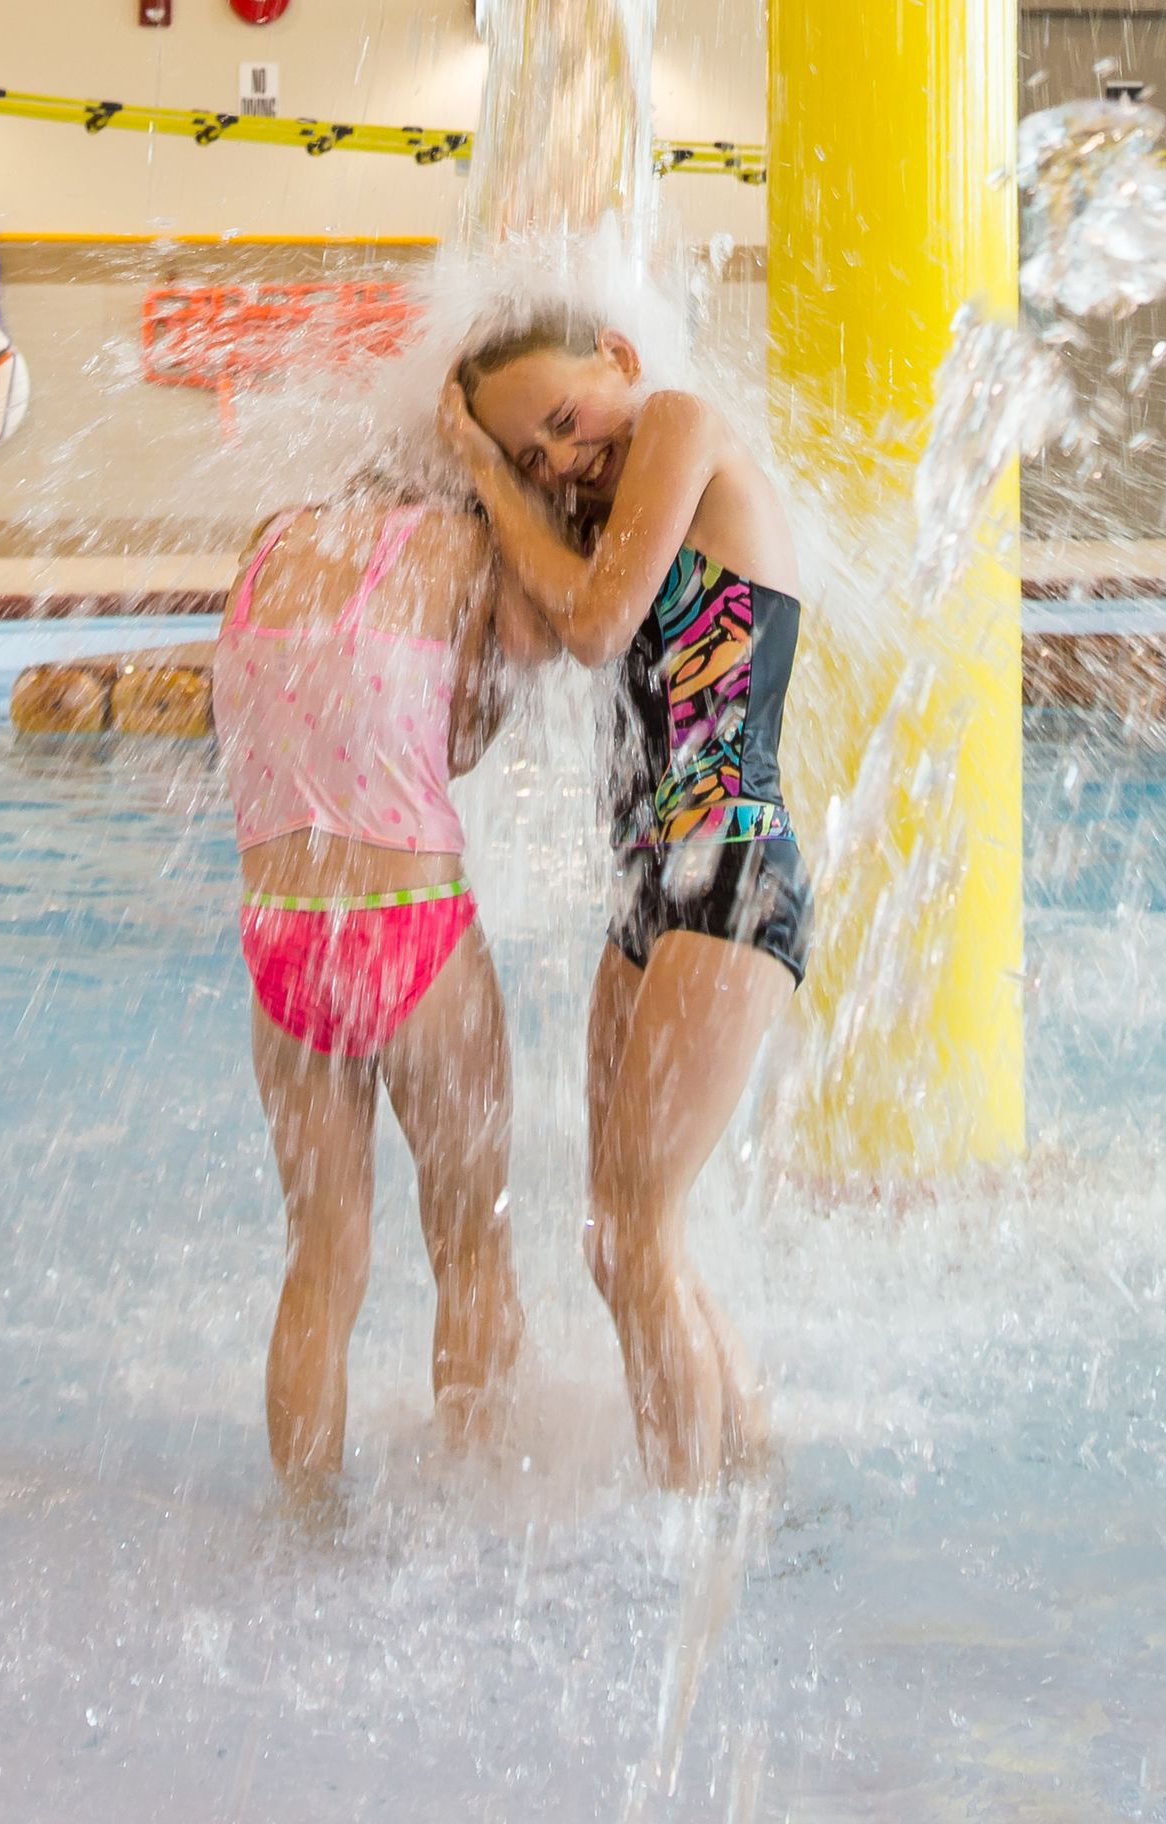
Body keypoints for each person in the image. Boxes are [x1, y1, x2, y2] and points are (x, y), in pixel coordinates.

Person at [438, 312, 807, 1492]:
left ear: (619, 356)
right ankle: (746, 1475)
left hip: (732, 865)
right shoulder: (603, 522)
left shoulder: (681, 425)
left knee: (640, 1233)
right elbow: (540, 639)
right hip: (650, 887)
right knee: (617, 1241)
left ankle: (681, 1533)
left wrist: (495, 479)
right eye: (534, 454)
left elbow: (593, 626)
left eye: (561, 420)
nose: (562, 460)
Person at [213, 460, 551, 1488]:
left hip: (282, 937)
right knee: (470, 1241)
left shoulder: (271, 534)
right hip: (412, 926)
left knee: (321, 1259)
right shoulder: (463, 546)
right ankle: (478, 1502)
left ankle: (304, 1529)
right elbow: (459, 740)